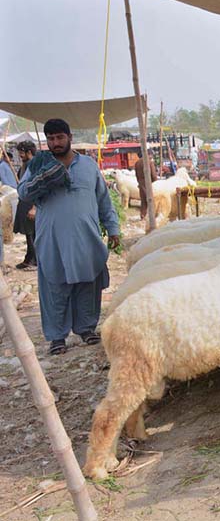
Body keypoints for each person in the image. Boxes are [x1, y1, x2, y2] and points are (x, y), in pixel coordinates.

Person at [17, 119, 120, 355]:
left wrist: (112, 228)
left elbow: (103, 199)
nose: (55, 143)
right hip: (52, 238)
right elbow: (23, 193)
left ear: (70, 137)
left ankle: (86, 329)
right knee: (55, 284)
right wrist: (43, 178)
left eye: (59, 137)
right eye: (50, 139)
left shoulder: (88, 165)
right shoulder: (39, 164)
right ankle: (57, 337)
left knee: (88, 281)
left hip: (86, 236)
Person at [14, 141, 37, 269]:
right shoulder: (25, 165)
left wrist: (34, 207)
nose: (20, 155)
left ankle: (34, 261)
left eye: (22, 153)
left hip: (31, 204)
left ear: (29, 152)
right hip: (24, 203)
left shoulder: (34, 166)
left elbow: (38, 188)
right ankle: (29, 258)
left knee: (32, 234)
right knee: (29, 234)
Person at [134, 152, 158, 220]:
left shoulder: (137, 163)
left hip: (141, 183)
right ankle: (153, 215)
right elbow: (153, 175)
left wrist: (139, 182)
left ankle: (142, 215)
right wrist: (156, 183)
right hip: (149, 183)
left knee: (143, 201)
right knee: (152, 200)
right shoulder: (149, 162)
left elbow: (136, 175)